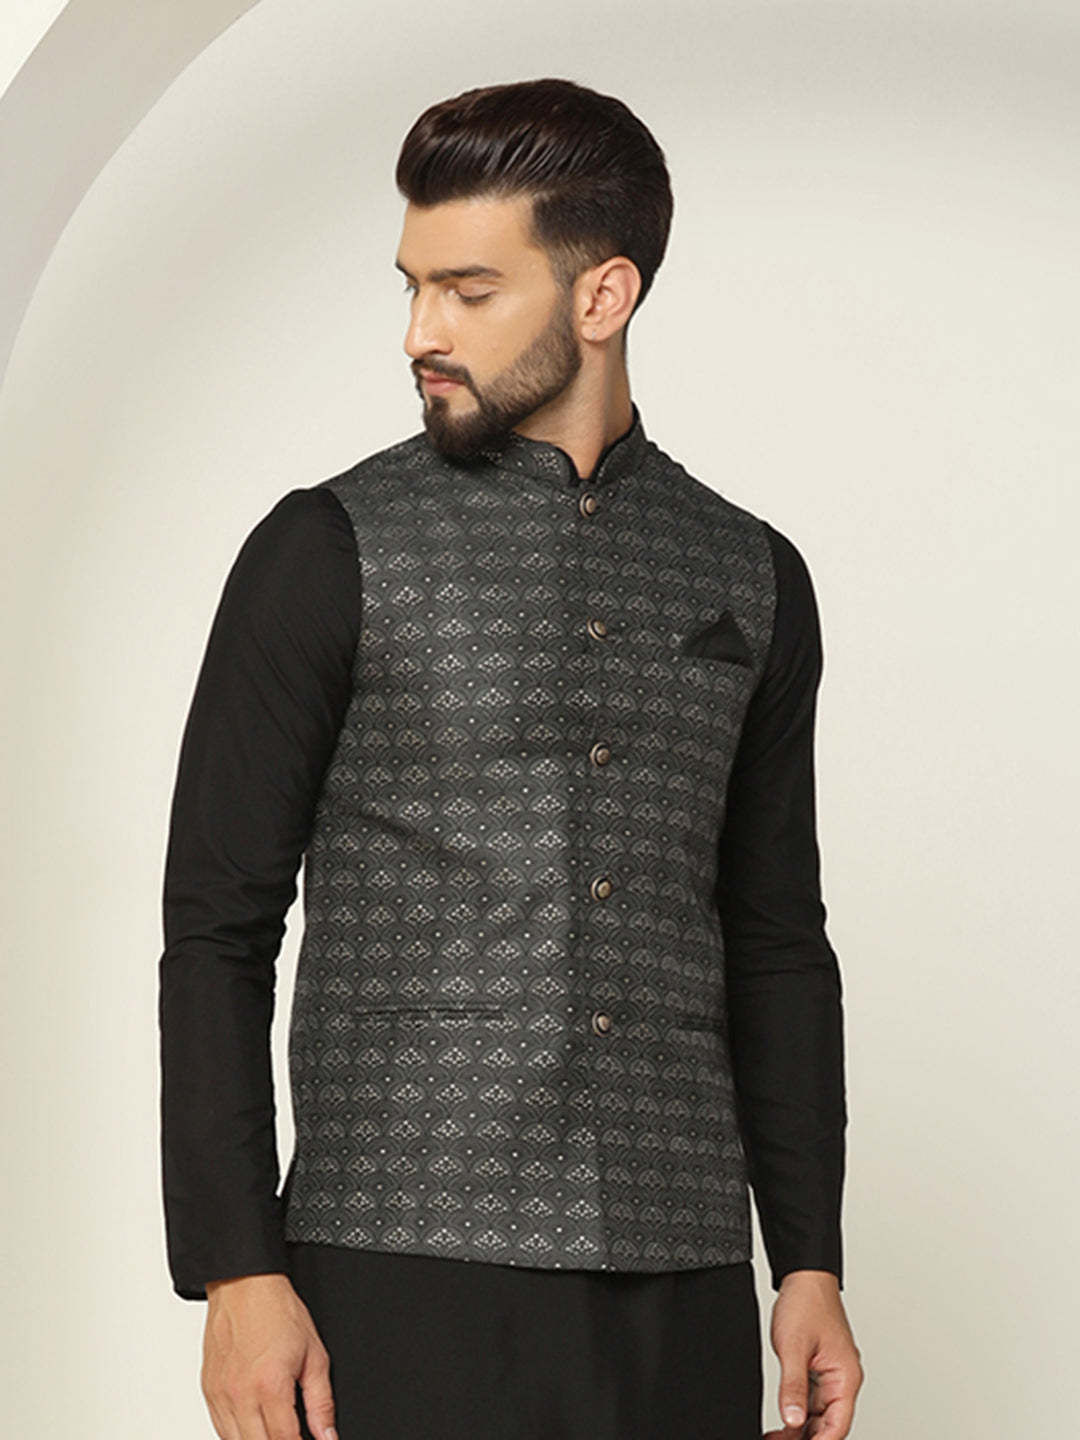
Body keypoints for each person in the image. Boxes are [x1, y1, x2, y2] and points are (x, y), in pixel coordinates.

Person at [158, 77, 863, 1440]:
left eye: (468, 291)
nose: (421, 332)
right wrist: (238, 1269)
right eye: (414, 286)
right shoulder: (326, 549)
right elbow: (217, 927)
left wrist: (810, 1259)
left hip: (680, 1274)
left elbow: (777, 936)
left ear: (604, 296)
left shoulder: (752, 573)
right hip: (397, 1260)